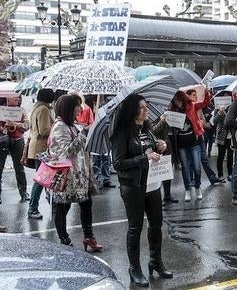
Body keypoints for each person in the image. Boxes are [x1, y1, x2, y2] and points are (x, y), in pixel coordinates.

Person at [111, 94, 172, 287]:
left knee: (156, 225)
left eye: (146, 107)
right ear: (132, 110)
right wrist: (143, 159)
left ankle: (155, 261)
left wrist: (161, 146)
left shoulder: (147, 128)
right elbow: (118, 163)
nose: (146, 110)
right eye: (142, 107)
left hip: (152, 183)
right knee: (135, 227)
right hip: (133, 186)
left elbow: (153, 150)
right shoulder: (122, 132)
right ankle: (134, 268)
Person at [50, 95, 102, 251]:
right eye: (78, 105)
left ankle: (89, 237)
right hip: (66, 177)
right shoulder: (60, 126)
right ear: (69, 108)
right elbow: (67, 151)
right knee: (62, 208)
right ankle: (64, 240)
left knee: (86, 205)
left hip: (79, 176)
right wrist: (83, 135)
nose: (81, 108)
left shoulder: (71, 125)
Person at [27, 89, 55, 219]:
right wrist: (55, 126)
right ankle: (32, 208)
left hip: (36, 147)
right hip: (42, 148)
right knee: (41, 180)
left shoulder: (36, 107)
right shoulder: (44, 109)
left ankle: (52, 203)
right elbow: (44, 130)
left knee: (44, 178)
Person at [186, 89, 221, 187]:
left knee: (204, 159)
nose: (196, 97)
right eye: (193, 95)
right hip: (191, 138)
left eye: (196, 95)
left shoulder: (196, 106)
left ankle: (212, 178)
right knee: (192, 161)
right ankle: (192, 180)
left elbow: (205, 103)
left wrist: (206, 92)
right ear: (187, 96)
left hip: (200, 136)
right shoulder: (186, 108)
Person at [0, 95, 30, 204]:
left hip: (18, 140)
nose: (18, 98)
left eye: (19, 97)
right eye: (15, 96)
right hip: (2, 140)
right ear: (8, 98)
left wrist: (15, 124)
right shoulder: (1, 109)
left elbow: (27, 125)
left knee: (20, 167)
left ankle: (23, 192)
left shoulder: (21, 110)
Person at [212, 104, 232, 183]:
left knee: (230, 156)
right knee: (221, 156)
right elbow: (214, 121)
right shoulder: (218, 108)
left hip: (230, 136)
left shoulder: (231, 107)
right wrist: (220, 112)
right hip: (221, 137)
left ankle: (230, 174)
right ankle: (220, 175)